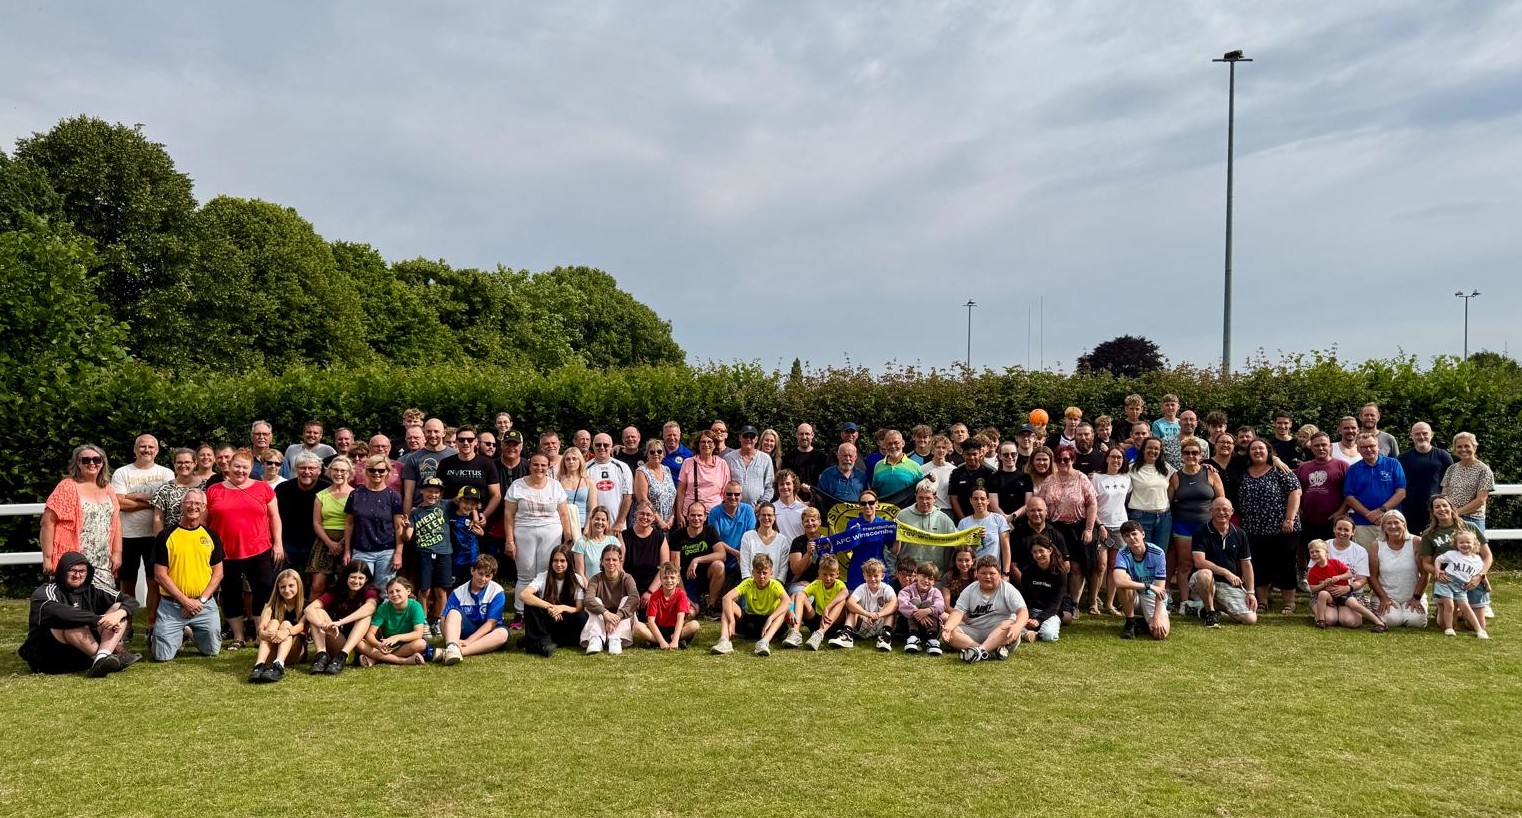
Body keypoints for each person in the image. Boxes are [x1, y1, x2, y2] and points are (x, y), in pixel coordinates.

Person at [205, 449, 283, 650]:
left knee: (263, 589)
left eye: (245, 467)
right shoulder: (213, 490)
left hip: (259, 549)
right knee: (230, 593)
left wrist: (278, 543)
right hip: (224, 553)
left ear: (251, 468)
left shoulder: (263, 488)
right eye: (236, 466)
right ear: (229, 467)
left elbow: (274, 517)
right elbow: (204, 522)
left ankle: (260, 633)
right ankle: (238, 636)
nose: (240, 471)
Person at [19, 552, 140, 676]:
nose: (77, 575)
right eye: (72, 570)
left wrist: (118, 615)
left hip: (82, 655)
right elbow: (58, 612)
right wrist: (98, 619)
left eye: (82, 571)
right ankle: (105, 659)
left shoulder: (95, 588)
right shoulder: (45, 591)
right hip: (49, 658)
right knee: (70, 621)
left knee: (119, 608)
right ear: (62, 571)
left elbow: (131, 601)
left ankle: (102, 657)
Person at [149, 488, 224, 662]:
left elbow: (218, 573)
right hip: (172, 606)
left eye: (198, 503)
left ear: (204, 508)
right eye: (189, 502)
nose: (193, 506)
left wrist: (201, 601)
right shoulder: (165, 536)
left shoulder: (211, 536)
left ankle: (188, 631)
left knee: (212, 651)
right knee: (162, 656)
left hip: (204, 605)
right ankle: (159, 633)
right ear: (181, 506)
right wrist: (185, 601)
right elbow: (160, 575)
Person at [40, 445, 121, 590]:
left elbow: (116, 522)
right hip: (74, 559)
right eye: (86, 460)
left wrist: (117, 553)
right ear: (78, 463)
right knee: (73, 599)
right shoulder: (67, 487)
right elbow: (47, 523)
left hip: (102, 559)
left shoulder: (108, 488)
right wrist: (47, 558)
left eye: (96, 459)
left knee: (103, 599)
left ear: (103, 463)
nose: (92, 463)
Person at [1237, 439, 1303, 615]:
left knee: (1285, 564)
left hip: (1283, 527)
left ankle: (1289, 602)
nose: (1257, 451)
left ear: (1269, 451)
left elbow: (1295, 492)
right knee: (1259, 564)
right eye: (1253, 449)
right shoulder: (1244, 471)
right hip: (1253, 528)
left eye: (1261, 448)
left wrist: (1289, 519)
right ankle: (1262, 601)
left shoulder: (1280, 469)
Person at [505, 454, 575, 618]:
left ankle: (545, 609)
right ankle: (520, 612)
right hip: (524, 531)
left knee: (546, 573)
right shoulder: (517, 485)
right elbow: (508, 515)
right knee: (525, 573)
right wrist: (509, 541)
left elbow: (564, 514)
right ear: (530, 466)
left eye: (543, 465)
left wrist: (568, 538)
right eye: (535, 464)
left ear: (548, 467)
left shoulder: (555, 486)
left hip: (551, 532)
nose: (539, 468)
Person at [112, 434, 173, 612]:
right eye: (142, 446)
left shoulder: (166, 473)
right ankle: (127, 621)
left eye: (151, 447)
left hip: (155, 535)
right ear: (135, 449)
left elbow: (167, 501)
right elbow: (119, 502)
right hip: (127, 535)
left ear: (157, 451)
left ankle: (152, 622)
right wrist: (152, 502)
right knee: (127, 582)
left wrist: (134, 496)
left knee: (154, 581)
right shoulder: (122, 472)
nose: (147, 450)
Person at [1035, 447, 1098, 610]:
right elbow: (1040, 503)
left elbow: (1092, 504)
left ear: (1073, 460)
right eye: (1059, 460)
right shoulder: (1049, 480)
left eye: (1067, 459)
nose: (1063, 463)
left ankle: (1074, 604)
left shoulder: (1082, 478)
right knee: (1057, 565)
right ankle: (1056, 601)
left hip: (1077, 528)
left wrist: (1089, 529)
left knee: (1076, 567)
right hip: (1055, 528)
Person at [1167, 438, 1223, 613]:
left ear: (1201, 455)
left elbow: (1221, 501)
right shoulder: (1176, 477)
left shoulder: (1211, 474)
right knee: (1185, 565)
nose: (1190, 456)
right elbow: (1168, 502)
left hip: (1207, 527)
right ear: (1181, 455)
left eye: (1194, 453)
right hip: (1183, 526)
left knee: (1208, 565)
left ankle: (1209, 602)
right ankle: (1184, 603)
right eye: (1187, 453)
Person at [941, 555, 1029, 663]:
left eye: (992, 573)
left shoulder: (1008, 589)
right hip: (975, 630)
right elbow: (957, 613)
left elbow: (1023, 611)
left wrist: (1017, 626)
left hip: (1000, 633)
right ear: (976, 574)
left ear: (999, 574)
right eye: (983, 573)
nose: (987, 577)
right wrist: (948, 628)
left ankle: (979, 651)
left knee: (1009, 624)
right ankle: (988, 651)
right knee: (950, 633)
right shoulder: (970, 590)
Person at [1419, 497, 1494, 621]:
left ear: (1451, 508)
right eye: (1437, 507)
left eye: (1445, 505)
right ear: (1432, 512)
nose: (1442, 509)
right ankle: (1454, 608)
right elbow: (1426, 563)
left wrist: (1480, 576)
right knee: (1445, 624)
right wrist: (1438, 572)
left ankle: (1464, 610)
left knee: (1476, 626)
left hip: (1471, 578)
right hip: (1448, 581)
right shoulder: (1429, 534)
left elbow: (1487, 556)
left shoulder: (1469, 527)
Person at [1190, 497, 1257, 627]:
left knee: (1250, 619)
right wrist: (1226, 573)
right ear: (1211, 511)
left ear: (1232, 511)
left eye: (1225, 509)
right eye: (1217, 509)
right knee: (1205, 574)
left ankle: (1204, 606)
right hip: (1203, 581)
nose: (1221, 513)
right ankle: (1210, 613)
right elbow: (1199, 562)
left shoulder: (1240, 534)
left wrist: (1250, 592)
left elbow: (1247, 564)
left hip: (1227, 584)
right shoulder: (1201, 532)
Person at [344, 454, 406, 591]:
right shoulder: (355, 494)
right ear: (367, 471)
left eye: (381, 470)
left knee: (385, 591)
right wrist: (347, 550)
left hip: (387, 551)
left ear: (387, 472)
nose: (376, 473)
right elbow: (349, 524)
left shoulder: (394, 496)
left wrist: (398, 553)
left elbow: (398, 526)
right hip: (361, 549)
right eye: (372, 470)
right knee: (360, 589)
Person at [306, 561, 380, 674]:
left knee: (365, 616)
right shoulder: (337, 591)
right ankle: (321, 655)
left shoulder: (369, 591)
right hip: (341, 641)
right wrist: (322, 625)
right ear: (346, 577)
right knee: (318, 612)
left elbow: (370, 607)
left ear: (366, 580)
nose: (356, 581)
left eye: (360, 578)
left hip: (361, 644)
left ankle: (342, 656)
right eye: (353, 577)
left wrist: (340, 622)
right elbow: (309, 609)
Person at [437, 554, 511, 664]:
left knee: (503, 633)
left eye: (488, 576)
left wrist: (469, 641)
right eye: (480, 574)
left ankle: (455, 652)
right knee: (453, 612)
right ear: (472, 571)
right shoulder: (458, 592)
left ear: (492, 576)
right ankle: (452, 647)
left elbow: (491, 623)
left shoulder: (497, 591)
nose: (483, 579)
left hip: (488, 633)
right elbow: (444, 620)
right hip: (465, 631)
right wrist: (448, 639)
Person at [711, 552, 791, 656]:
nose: (761, 576)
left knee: (783, 611)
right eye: (758, 572)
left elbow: (787, 601)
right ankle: (724, 641)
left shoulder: (775, 585)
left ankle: (764, 642)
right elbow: (726, 598)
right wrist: (732, 621)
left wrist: (771, 618)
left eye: (765, 573)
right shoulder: (748, 583)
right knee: (729, 605)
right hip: (750, 623)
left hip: (770, 626)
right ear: (753, 573)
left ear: (771, 573)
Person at [273, 452, 329, 596]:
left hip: (318, 545)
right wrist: (279, 544)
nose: (307, 472)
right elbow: (274, 518)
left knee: (315, 586)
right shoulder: (282, 489)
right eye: (302, 468)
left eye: (311, 468)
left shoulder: (327, 489)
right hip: (288, 545)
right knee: (288, 584)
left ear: (319, 470)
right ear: (296, 469)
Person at [404, 477, 453, 634]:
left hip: (444, 553)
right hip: (424, 553)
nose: (433, 495)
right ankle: (423, 621)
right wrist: (405, 527)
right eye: (429, 491)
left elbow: (466, 502)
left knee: (441, 590)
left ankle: (439, 620)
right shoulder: (415, 513)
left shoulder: (445, 505)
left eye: (436, 492)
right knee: (424, 590)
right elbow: (407, 537)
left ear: (440, 494)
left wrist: (476, 516)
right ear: (422, 491)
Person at [520, 545, 587, 657]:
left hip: (565, 620)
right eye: (555, 561)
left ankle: (538, 640)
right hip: (548, 618)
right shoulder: (543, 577)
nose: (558, 564)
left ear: (569, 562)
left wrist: (562, 608)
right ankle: (540, 640)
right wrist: (550, 607)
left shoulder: (577, 579)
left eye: (562, 561)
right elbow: (524, 595)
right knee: (530, 604)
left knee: (582, 616)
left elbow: (579, 607)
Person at [1342, 432, 1407, 546]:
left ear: (1378, 447)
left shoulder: (1393, 463)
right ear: (1358, 449)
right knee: (1366, 555)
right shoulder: (1353, 469)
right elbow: (1349, 497)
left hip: (1391, 522)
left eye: (1372, 446)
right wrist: (1369, 515)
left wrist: (1381, 511)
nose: (1368, 449)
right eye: (1364, 447)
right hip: (1363, 524)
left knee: (1393, 554)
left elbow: (1401, 492)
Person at [1305, 540, 1385, 632]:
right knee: (1322, 594)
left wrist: (1338, 577)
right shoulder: (1313, 571)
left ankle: (1379, 622)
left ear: (1326, 553)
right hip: (1329, 596)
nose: (1314, 554)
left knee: (1354, 605)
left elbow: (1350, 574)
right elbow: (1312, 588)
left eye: (1317, 551)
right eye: (1312, 552)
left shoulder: (1335, 563)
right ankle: (1321, 620)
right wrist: (1323, 584)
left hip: (1343, 593)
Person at [1367, 510, 1428, 629]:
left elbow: (1425, 574)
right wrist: (1384, 598)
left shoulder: (1416, 542)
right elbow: (1372, 576)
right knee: (1392, 621)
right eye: (1388, 523)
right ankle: (1381, 607)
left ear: (1404, 524)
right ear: (1383, 527)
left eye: (1396, 522)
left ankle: (1408, 610)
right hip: (1387, 596)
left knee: (1416, 622)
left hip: (1412, 595)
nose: (1393, 526)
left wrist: (1416, 598)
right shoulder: (1376, 545)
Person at [1112, 521, 1170, 640]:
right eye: (1127, 536)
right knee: (1124, 581)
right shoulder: (1122, 553)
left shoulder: (1158, 553)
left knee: (1160, 633)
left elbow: (1160, 589)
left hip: (1152, 597)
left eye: (1134, 534)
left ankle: (1142, 623)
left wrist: (1157, 618)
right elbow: (1118, 581)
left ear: (1143, 534)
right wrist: (1149, 586)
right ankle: (1130, 623)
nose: (1131, 538)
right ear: (1124, 539)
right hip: (1134, 596)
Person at [1091, 447, 1132, 615]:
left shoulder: (1127, 478)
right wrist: (1100, 525)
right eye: (1113, 457)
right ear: (1107, 458)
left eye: (1119, 458)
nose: (1116, 460)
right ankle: (1093, 602)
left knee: (1114, 567)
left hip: (1120, 526)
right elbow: (1091, 505)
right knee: (1101, 565)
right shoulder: (1096, 478)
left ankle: (1109, 604)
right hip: (1101, 526)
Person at [248, 568, 307, 682]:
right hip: (273, 649)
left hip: (296, 651)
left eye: (291, 586)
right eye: (282, 587)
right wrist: (264, 633)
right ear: (278, 589)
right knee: (274, 622)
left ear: (298, 586)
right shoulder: (271, 606)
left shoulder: (305, 605)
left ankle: (279, 665)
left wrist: (285, 632)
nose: (287, 590)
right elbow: (261, 628)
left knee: (286, 623)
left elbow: (300, 626)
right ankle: (259, 664)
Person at [434, 425, 502, 524]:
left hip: (477, 519)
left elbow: (496, 495)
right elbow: (438, 492)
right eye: (462, 440)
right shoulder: (445, 463)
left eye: (470, 440)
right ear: (456, 442)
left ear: (476, 442)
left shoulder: (487, 464)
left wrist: (484, 515)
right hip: (450, 518)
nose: (466, 443)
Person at [581, 544, 640, 654]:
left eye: (614, 560)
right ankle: (596, 638)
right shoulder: (595, 579)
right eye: (607, 559)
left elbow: (635, 598)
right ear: (602, 561)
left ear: (620, 561)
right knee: (595, 601)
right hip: (601, 619)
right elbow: (588, 599)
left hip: (621, 620)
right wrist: (605, 613)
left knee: (627, 599)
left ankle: (615, 638)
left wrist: (617, 616)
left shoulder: (627, 578)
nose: (611, 563)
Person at [309, 457, 355, 599]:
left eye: (342, 470)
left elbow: (355, 522)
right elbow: (317, 523)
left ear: (349, 473)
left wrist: (342, 544)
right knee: (317, 586)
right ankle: (310, 612)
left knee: (346, 585)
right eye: (335, 470)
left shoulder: (356, 494)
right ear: (329, 471)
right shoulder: (321, 495)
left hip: (348, 541)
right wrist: (330, 543)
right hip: (325, 540)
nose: (338, 473)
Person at [358, 576, 429, 666]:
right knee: (359, 643)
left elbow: (418, 634)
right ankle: (403, 661)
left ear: (408, 591)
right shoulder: (384, 608)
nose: (394, 594)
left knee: (421, 644)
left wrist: (397, 637)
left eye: (398, 591)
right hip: (387, 644)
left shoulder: (415, 606)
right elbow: (370, 634)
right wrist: (378, 645)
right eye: (391, 592)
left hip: (408, 643)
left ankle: (376, 658)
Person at [832, 558, 898, 652]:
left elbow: (894, 604)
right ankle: (847, 635)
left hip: (881, 622)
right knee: (853, 610)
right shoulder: (861, 588)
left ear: (882, 576)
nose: (872, 579)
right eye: (869, 576)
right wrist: (868, 614)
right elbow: (849, 603)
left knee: (890, 606)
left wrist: (879, 614)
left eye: (876, 576)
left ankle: (885, 637)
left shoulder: (886, 588)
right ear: (864, 576)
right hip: (865, 622)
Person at [1012, 535, 1070, 643]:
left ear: (1050, 550)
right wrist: (1028, 616)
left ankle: (1034, 632)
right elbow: (1024, 597)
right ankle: (1028, 633)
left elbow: (1056, 602)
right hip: (1031, 611)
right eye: (1035, 552)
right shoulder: (1028, 571)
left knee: (1048, 635)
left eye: (1041, 551)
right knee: (1010, 623)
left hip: (1050, 612)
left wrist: (1039, 619)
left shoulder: (1060, 573)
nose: (1038, 555)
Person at [1396, 422, 1452, 533]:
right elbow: (1397, 484)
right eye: (1417, 434)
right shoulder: (1402, 458)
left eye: (1425, 433)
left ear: (1431, 435)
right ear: (1412, 436)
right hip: (1410, 511)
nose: (1421, 437)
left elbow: (1451, 482)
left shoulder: (1443, 456)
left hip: (1436, 510)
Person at [1433, 530, 1488, 639]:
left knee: (1466, 607)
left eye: (1468, 542)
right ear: (1456, 544)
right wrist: (1437, 570)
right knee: (1449, 605)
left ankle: (1479, 630)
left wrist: (1487, 585)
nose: (1465, 545)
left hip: (1462, 587)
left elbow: (1481, 574)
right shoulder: (1452, 554)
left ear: (1474, 543)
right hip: (1446, 583)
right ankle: (1449, 628)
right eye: (1461, 542)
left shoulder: (1477, 560)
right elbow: (1438, 559)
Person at [895, 480, 958, 574]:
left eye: (928, 498)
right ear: (915, 496)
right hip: (907, 575)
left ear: (934, 498)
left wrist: (974, 538)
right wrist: (892, 571)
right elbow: (891, 546)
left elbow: (958, 542)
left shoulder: (944, 519)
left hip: (935, 575)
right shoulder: (902, 516)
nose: (924, 502)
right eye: (920, 498)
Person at [400, 417, 456, 511]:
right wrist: (407, 515)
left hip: (449, 510)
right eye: (429, 431)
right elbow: (408, 494)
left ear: (444, 433)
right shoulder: (414, 458)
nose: (432, 435)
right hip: (421, 511)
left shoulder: (454, 455)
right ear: (424, 432)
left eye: (436, 431)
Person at [641, 561, 700, 649]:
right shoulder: (654, 596)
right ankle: (661, 642)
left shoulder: (681, 595)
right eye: (665, 578)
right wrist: (662, 641)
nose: (669, 581)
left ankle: (671, 640)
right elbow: (651, 621)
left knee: (695, 625)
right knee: (638, 627)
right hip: (659, 628)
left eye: (672, 577)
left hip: (675, 628)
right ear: (661, 580)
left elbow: (680, 619)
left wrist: (675, 640)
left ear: (678, 580)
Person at [1442, 432, 1495, 530]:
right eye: (1459, 447)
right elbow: (1444, 494)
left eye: (1467, 446)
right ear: (1455, 449)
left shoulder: (1484, 470)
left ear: (1474, 447)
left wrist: (1456, 512)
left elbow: (1480, 500)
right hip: (1451, 519)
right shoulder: (1451, 469)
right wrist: (1447, 513)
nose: (1463, 449)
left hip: (1472, 519)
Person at [1127, 437, 1172, 551]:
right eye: (1150, 448)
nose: (1153, 451)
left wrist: (1205, 467)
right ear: (1143, 449)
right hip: (1141, 517)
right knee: (1141, 553)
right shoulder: (1131, 468)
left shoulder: (1166, 468)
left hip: (1164, 518)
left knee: (1160, 554)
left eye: (1156, 448)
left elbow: (1185, 474)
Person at [675, 431, 730, 522]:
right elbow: (681, 491)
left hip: (715, 514)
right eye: (703, 442)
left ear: (715, 445)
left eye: (710, 442)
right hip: (691, 515)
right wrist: (679, 514)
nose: (706, 445)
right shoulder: (688, 463)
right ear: (698, 444)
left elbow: (726, 492)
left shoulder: (722, 464)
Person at [588, 432, 635, 535]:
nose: (602, 447)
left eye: (605, 445)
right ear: (593, 446)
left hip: (616, 527)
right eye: (598, 444)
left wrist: (620, 522)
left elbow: (628, 497)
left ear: (611, 446)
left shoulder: (623, 467)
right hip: (594, 527)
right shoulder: (585, 468)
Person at [623, 502, 669, 603]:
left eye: (648, 515)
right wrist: (632, 593)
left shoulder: (660, 537)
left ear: (653, 518)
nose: (645, 517)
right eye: (642, 513)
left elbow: (664, 568)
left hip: (653, 590)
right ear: (636, 514)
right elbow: (619, 567)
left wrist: (650, 592)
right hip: (628, 590)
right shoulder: (624, 536)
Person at [896, 561, 946, 654]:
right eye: (924, 576)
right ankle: (913, 637)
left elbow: (941, 606)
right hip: (909, 626)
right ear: (917, 576)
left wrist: (928, 611)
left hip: (930, 626)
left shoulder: (936, 592)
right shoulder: (907, 590)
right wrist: (918, 613)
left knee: (928, 604)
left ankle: (932, 639)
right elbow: (903, 604)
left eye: (930, 579)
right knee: (914, 601)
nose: (926, 580)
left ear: (934, 582)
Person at [957, 488, 1010, 573]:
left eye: (982, 499)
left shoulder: (999, 519)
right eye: (975, 499)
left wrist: (1006, 573)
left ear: (988, 501)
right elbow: (961, 550)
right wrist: (973, 540)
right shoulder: (963, 523)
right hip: (971, 573)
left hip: (993, 572)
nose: (979, 502)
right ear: (970, 501)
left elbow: (1006, 549)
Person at [739, 503, 790, 586]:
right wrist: (750, 585)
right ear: (758, 516)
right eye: (763, 515)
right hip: (751, 586)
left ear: (774, 517)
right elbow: (744, 565)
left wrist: (775, 586)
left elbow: (783, 569)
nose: (766, 518)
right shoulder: (747, 536)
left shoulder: (782, 540)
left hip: (774, 586)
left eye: (769, 515)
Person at [723, 426, 775, 506]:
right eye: (745, 436)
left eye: (752, 437)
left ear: (756, 439)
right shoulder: (729, 458)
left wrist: (762, 504)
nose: (748, 439)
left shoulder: (765, 459)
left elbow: (770, 486)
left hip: (757, 509)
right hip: (733, 507)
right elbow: (723, 484)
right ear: (740, 438)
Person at [633, 439, 677, 531]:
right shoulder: (641, 471)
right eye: (652, 452)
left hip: (667, 523)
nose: (656, 454)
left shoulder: (667, 470)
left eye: (659, 451)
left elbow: (672, 496)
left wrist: (672, 517)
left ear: (663, 454)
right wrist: (659, 520)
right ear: (647, 455)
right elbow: (642, 500)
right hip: (648, 522)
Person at [948, 437, 996, 519]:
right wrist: (963, 520)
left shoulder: (990, 473)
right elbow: (953, 499)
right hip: (962, 518)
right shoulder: (956, 473)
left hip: (985, 518)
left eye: (974, 454)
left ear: (980, 453)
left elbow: (992, 499)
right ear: (963, 454)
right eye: (968, 454)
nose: (972, 457)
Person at [870, 429, 923, 499]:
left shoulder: (915, 466)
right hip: (884, 506)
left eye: (896, 443)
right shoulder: (878, 466)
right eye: (889, 444)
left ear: (903, 443)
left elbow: (921, 492)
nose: (893, 446)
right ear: (885, 445)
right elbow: (875, 490)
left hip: (907, 506)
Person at [572, 506, 620, 581]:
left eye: (603, 520)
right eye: (597, 519)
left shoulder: (614, 541)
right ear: (591, 520)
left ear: (607, 522)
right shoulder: (581, 543)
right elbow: (580, 573)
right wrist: (589, 587)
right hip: (589, 585)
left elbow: (619, 568)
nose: (600, 522)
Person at [786, 423, 830, 496]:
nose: (804, 437)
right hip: (794, 499)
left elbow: (823, 484)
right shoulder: (788, 457)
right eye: (801, 434)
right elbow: (786, 482)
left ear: (812, 435)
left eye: (807, 434)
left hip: (816, 499)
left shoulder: (822, 457)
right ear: (797, 435)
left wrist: (814, 499)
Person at [919, 435, 957, 514]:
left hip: (948, 510)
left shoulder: (953, 470)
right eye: (938, 447)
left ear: (947, 450)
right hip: (929, 510)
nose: (941, 450)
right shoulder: (923, 469)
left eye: (944, 448)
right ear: (932, 450)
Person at [772, 469, 809, 542]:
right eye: (781, 484)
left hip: (800, 549)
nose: (785, 487)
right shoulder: (771, 509)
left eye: (788, 483)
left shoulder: (804, 509)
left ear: (794, 485)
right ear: (777, 487)